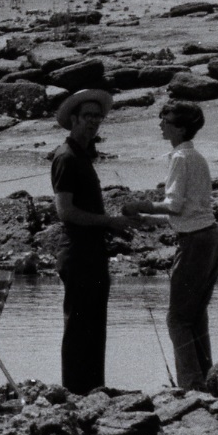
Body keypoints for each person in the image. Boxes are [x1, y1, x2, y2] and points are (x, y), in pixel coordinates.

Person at [122, 100, 218, 390]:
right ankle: (207, 379)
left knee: (177, 319)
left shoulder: (180, 157)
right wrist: (147, 218)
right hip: (211, 238)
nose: (160, 124)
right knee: (196, 315)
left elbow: (175, 205)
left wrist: (139, 205)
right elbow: (192, 209)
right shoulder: (198, 157)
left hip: (195, 243)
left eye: (165, 120)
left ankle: (191, 384)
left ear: (179, 128)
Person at [50, 89, 138, 395]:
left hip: (92, 252)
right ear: (73, 119)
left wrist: (111, 227)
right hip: (77, 253)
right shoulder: (66, 156)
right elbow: (65, 211)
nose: (93, 123)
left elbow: (82, 210)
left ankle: (93, 391)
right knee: (78, 328)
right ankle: (76, 393)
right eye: (87, 117)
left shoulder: (83, 156)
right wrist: (108, 221)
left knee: (94, 327)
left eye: (97, 117)